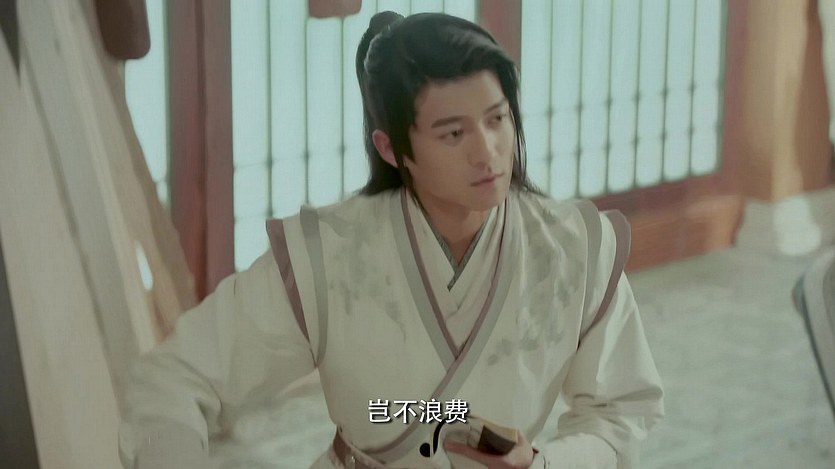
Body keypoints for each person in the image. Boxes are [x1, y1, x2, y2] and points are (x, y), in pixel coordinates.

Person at [118, 11, 664, 469]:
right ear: (390, 148)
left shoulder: (575, 248)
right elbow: (174, 378)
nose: (487, 151)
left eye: (497, 119)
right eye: (454, 133)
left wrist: (541, 463)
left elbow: (621, 412)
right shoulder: (328, 254)